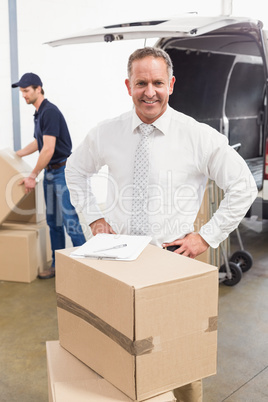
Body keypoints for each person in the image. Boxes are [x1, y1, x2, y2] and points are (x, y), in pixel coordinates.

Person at [65, 47, 258, 401]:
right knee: (122, 344)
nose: (149, 91)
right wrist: (94, 218)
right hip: (119, 259)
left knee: (180, 356)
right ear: (128, 86)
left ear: (171, 84)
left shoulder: (197, 136)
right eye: (141, 83)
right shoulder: (107, 133)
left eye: (157, 82)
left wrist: (206, 237)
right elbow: (75, 170)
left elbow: (243, 185)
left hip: (173, 259)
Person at [12, 73, 86, 279]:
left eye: (26, 91)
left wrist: (32, 175)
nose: (23, 95)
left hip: (62, 172)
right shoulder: (39, 113)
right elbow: (39, 142)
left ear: (38, 89)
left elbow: (48, 149)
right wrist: (14, 155)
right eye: (21, 92)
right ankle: (58, 266)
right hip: (51, 172)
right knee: (54, 222)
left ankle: (88, 269)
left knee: (70, 221)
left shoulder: (49, 112)